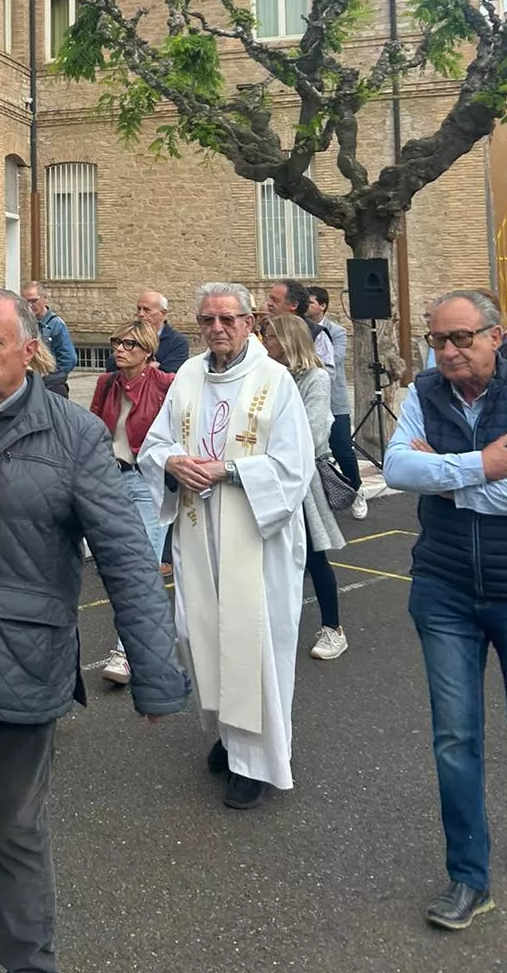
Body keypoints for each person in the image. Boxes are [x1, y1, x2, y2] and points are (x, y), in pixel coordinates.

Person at [0, 289, 188, 973]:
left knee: (16, 836)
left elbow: (125, 558)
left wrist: (155, 672)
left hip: (21, 668)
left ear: (29, 350)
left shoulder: (72, 435)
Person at [139, 282, 314, 809]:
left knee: (252, 642)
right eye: (208, 321)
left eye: (228, 319)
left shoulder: (274, 380)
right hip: (197, 531)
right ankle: (227, 735)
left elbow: (293, 467)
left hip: (255, 539)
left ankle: (256, 762)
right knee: (200, 635)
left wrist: (230, 470)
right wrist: (172, 463)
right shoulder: (188, 376)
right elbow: (156, 442)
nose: (217, 329)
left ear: (249, 322)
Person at [383, 289, 507, 932]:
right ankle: (469, 878)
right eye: (437, 340)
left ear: (498, 336)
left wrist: (446, 474)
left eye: (462, 337)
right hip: (443, 590)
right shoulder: (426, 390)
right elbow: (396, 467)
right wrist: (480, 467)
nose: (447, 351)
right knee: (455, 738)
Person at [90, 318, 174, 685]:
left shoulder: (166, 385)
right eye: (116, 343)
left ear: (147, 353)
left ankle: (125, 653)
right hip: (109, 481)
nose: (119, 350)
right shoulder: (106, 384)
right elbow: (91, 431)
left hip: (145, 483)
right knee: (116, 569)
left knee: (142, 570)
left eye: (129, 345)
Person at [261, 313, 349, 660]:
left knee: (313, 554)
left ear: (287, 340)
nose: (264, 342)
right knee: (270, 556)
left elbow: (311, 433)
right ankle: (273, 626)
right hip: (268, 474)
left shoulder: (316, 377)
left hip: (302, 479)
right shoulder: (268, 376)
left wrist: (271, 445)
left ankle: (333, 628)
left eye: (269, 336)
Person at [306, 285, 366, 518]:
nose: (308, 307)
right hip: (309, 400)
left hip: (334, 400)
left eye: (312, 302)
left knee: (342, 449)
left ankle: (357, 490)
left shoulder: (336, 331)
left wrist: (303, 355)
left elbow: (335, 359)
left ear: (322, 305)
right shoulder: (299, 328)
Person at [265, 278, 336, 372]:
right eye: (269, 299)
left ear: (294, 305)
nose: (269, 304)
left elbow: (327, 373)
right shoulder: (265, 328)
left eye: (275, 300)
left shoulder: (316, 334)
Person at [21, 281, 77, 395]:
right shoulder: (23, 323)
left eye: (34, 300)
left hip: (50, 386)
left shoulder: (56, 324)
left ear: (44, 298)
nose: (30, 305)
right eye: (26, 302)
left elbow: (69, 359)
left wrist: (51, 378)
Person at [136, 289, 189, 372]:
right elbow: (112, 365)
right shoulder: (130, 336)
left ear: (163, 314)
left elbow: (171, 374)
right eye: (139, 309)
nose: (140, 314)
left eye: (146, 310)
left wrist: (133, 364)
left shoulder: (177, 342)